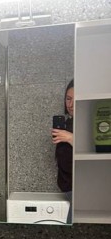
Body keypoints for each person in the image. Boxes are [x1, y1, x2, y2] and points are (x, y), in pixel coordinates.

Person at [51, 80, 74, 220]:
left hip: (83, 189)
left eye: (75, 99)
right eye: (68, 99)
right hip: (69, 189)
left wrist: (71, 138)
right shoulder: (68, 124)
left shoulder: (88, 124)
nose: (70, 105)